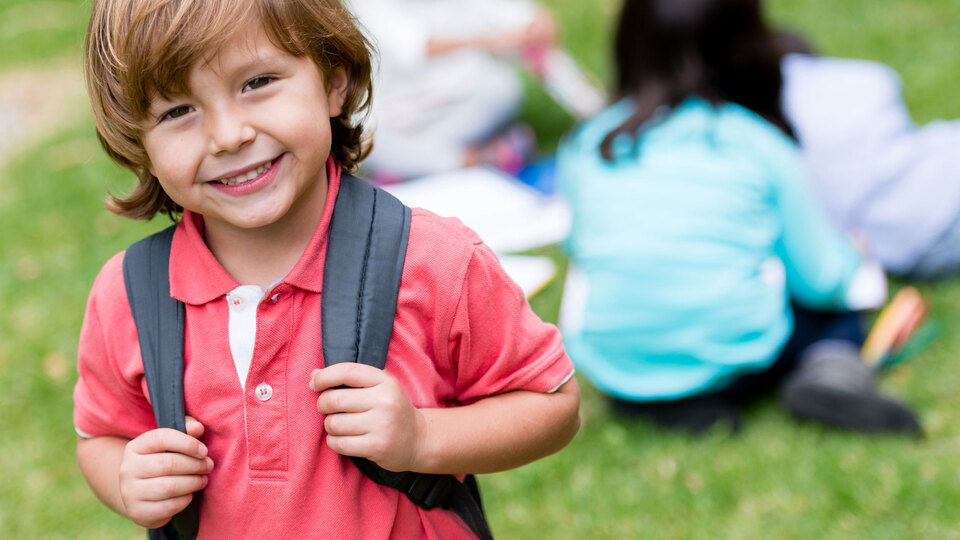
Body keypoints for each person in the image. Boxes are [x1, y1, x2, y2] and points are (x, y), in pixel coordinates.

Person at [73, 0, 580, 537]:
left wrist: (422, 437)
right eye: (178, 112)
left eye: (257, 82)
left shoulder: (433, 261)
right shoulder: (132, 295)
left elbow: (551, 405)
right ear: (139, 143)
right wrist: (129, 481)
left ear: (334, 81)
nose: (228, 135)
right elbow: (102, 436)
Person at [557, 0, 918, 435]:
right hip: (733, 358)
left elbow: (581, 245)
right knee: (835, 308)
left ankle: (669, 403)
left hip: (617, 364)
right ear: (749, 47)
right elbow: (823, 279)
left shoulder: (590, 141)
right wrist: (853, 259)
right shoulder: (754, 140)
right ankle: (831, 373)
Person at [778, 34, 960, 280]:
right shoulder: (821, 94)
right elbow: (877, 81)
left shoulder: (750, 144)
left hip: (909, 220)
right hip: (936, 216)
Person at [349, 0, 556, 180]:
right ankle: (480, 158)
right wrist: (490, 41)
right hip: (395, 113)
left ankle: (414, 167)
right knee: (364, 139)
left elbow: (509, 14)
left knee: (503, 88)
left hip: (457, 98)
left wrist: (535, 26)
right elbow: (416, 49)